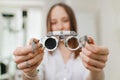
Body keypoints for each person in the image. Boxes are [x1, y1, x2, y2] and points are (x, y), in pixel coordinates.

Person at [13, 3, 109, 80]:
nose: (60, 27)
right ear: (49, 26)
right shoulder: (42, 53)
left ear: (72, 22)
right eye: (54, 22)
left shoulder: (84, 51)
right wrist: (30, 70)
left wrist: (96, 69)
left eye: (65, 20)